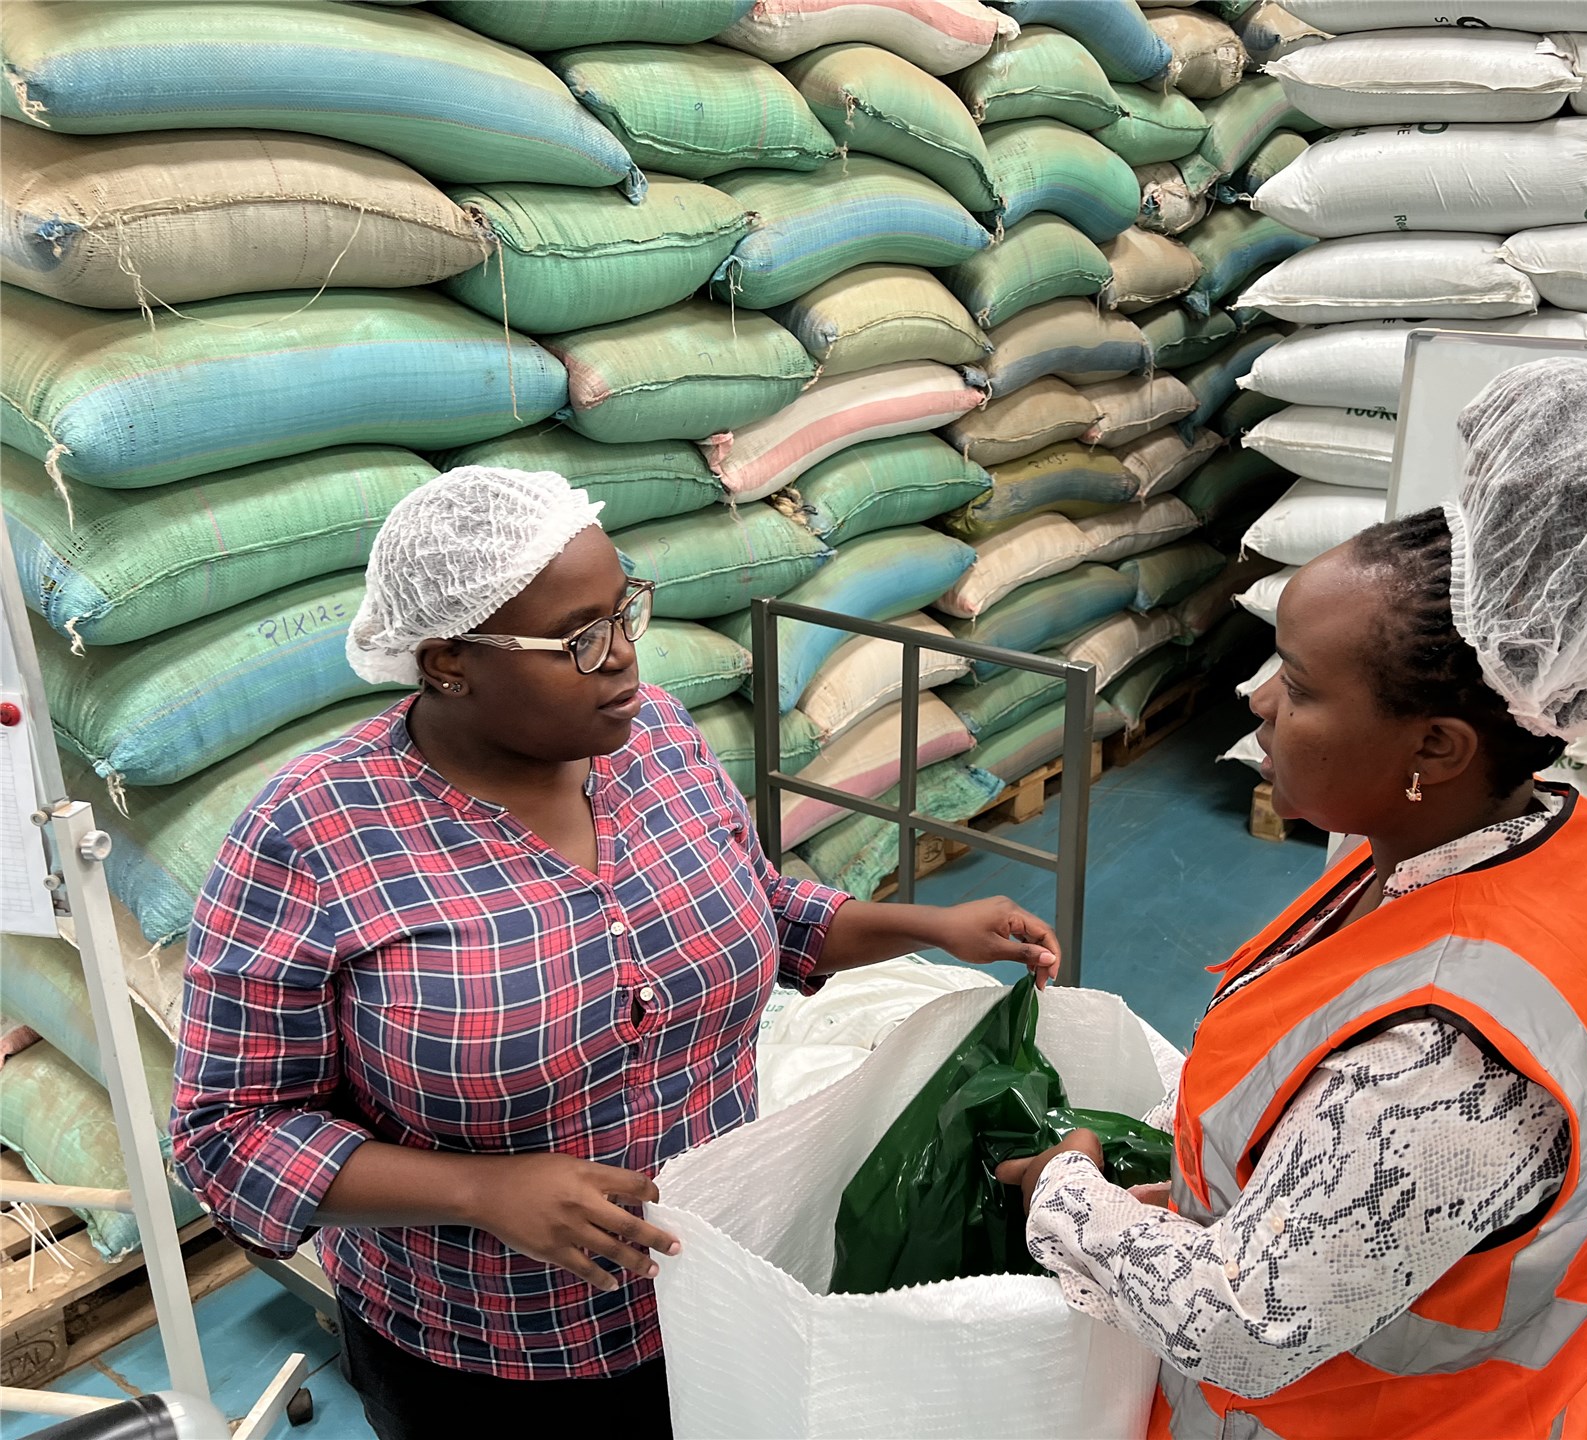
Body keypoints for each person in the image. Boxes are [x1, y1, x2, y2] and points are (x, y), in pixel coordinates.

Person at [170, 467, 1064, 1440]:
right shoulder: (312, 838)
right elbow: (229, 1131)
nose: (623, 661)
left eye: (625, 614)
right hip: (484, 1362)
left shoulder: (661, 745)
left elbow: (760, 908)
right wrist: (482, 1190)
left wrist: (924, 929)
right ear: (446, 662)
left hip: (715, 1291)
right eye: (576, 640)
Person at [996, 358, 1587, 1440]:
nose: (1254, 697)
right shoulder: (1465, 844)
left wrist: (1067, 1195)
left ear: (1433, 747)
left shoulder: (1451, 1066)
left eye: (1297, 684)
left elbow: (1248, 1322)